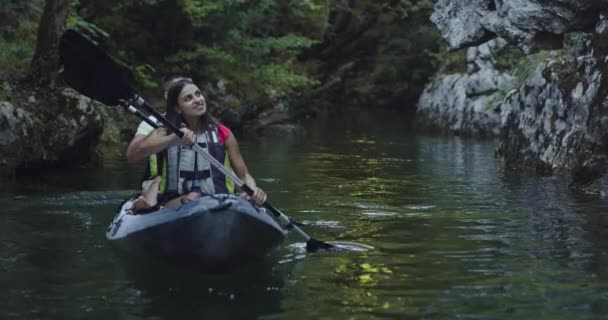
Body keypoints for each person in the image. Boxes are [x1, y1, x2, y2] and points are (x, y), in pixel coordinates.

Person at [126, 77, 266, 209]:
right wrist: (173, 139)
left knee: (233, 199)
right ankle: (150, 204)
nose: (197, 100)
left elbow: (244, 176)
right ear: (178, 108)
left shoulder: (223, 133)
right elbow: (133, 156)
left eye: (198, 94)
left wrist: (252, 189)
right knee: (193, 197)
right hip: (175, 203)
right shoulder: (164, 131)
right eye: (188, 98)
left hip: (220, 200)